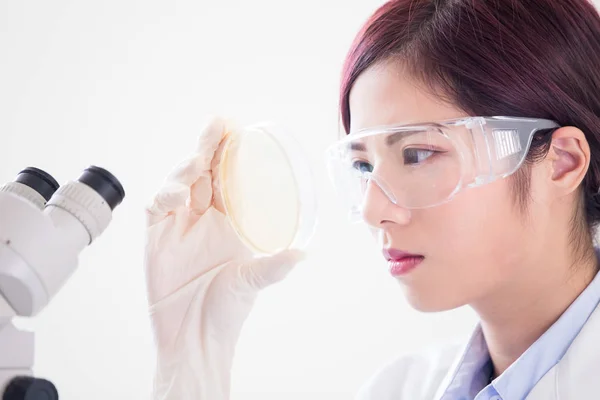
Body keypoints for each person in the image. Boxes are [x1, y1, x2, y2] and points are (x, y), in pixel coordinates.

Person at [143, 0, 600, 399]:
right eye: (362, 166)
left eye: (418, 154)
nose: (372, 211)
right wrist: (191, 367)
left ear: (561, 162)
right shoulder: (395, 390)